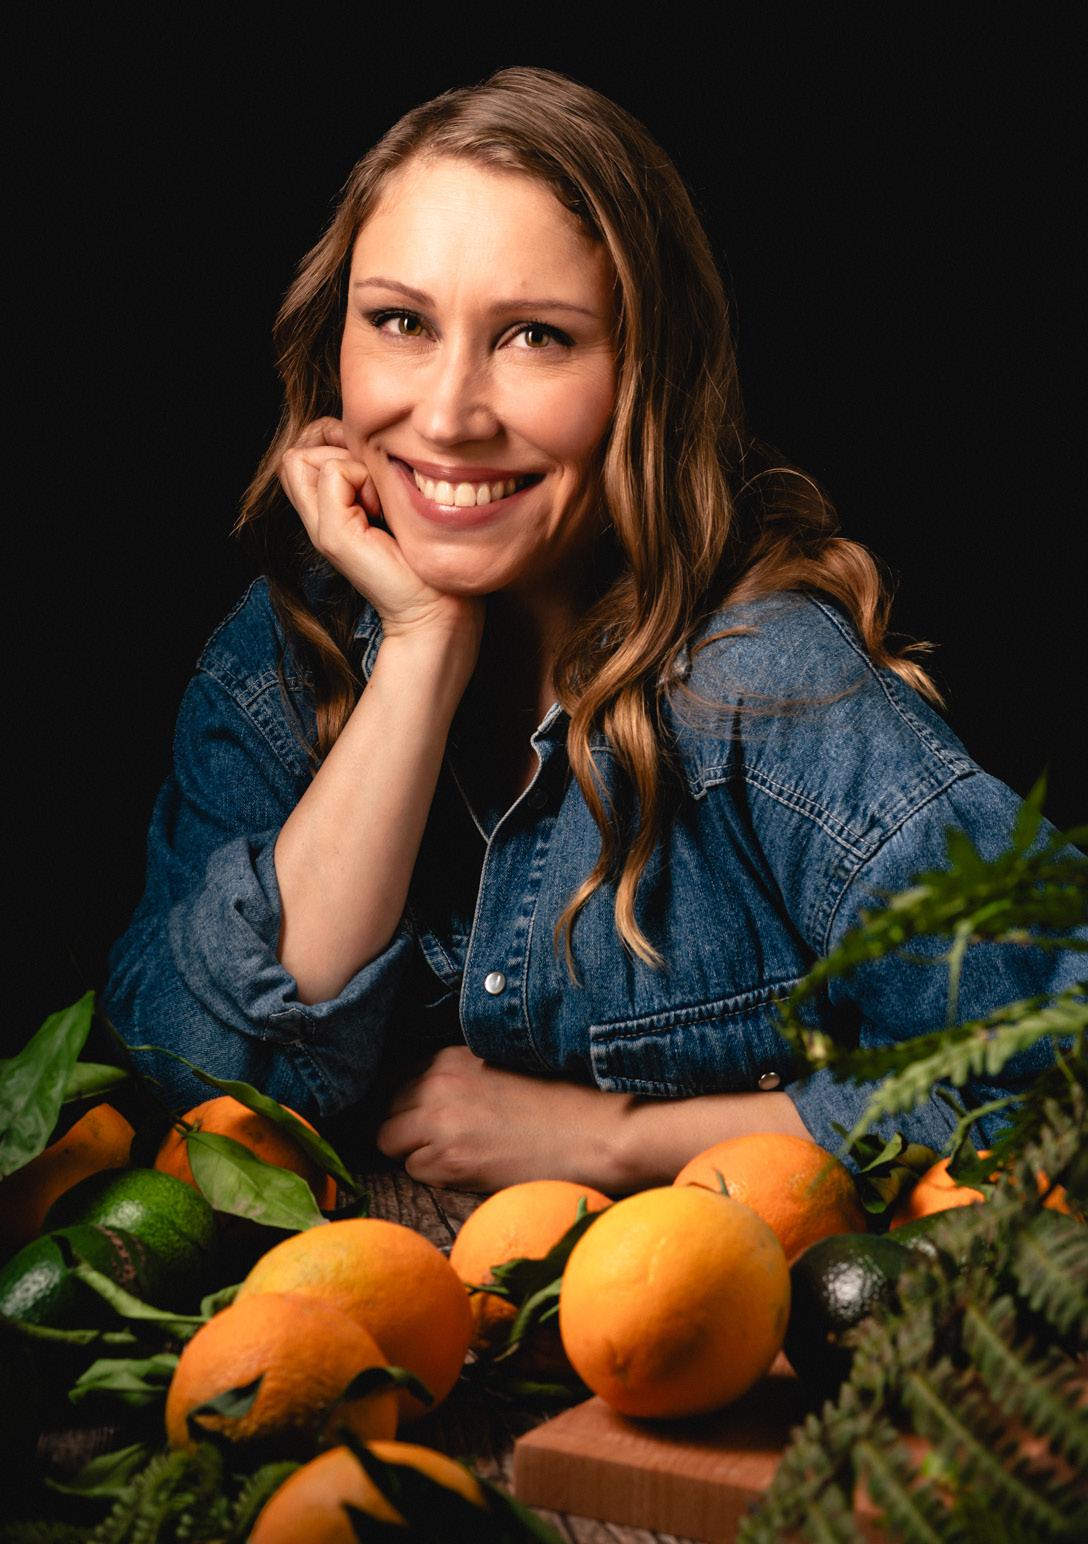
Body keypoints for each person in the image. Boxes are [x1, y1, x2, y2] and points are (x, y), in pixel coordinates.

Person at [104, 67, 1081, 1195]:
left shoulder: (765, 692)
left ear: (645, 377)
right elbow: (209, 1083)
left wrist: (616, 1137)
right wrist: (420, 648)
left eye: (535, 336)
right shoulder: (284, 652)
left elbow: (1057, 1072)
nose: (447, 415)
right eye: (400, 322)